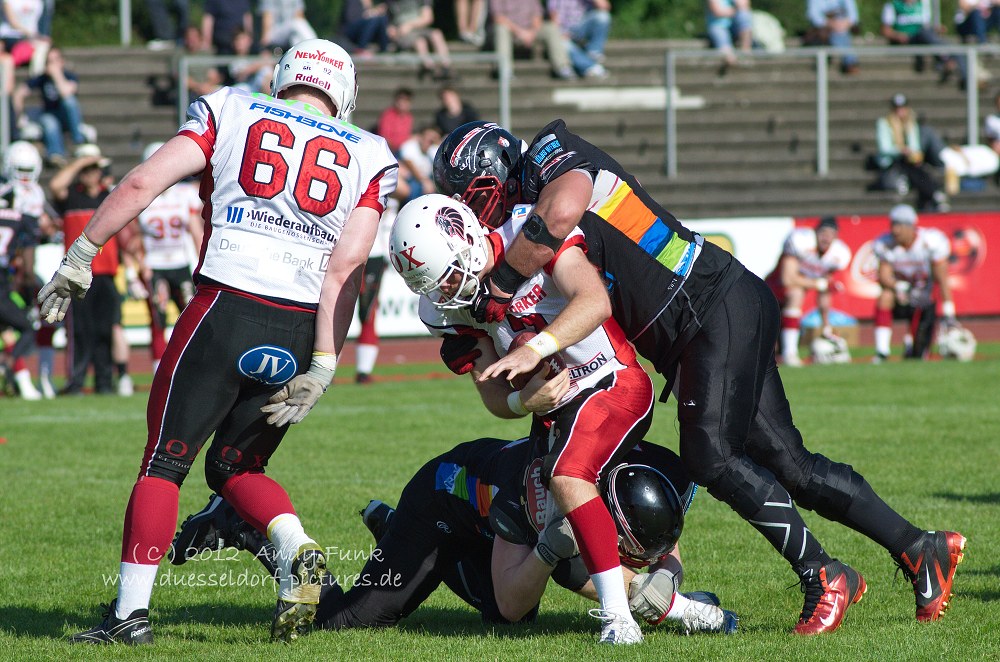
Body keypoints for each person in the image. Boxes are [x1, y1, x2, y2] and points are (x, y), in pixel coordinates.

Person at [431, 120, 967, 636]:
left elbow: (564, 207)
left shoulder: (551, 153)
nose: (474, 212)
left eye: (472, 196)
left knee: (708, 454)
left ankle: (822, 575)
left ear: (498, 170)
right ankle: (920, 548)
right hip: (703, 319)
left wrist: (497, 287)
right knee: (791, 464)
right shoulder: (520, 217)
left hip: (707, 302)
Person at [38, 38, 399, 644]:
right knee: (237, 463)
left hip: (224, 304)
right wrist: (324, 366)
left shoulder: (232, 108)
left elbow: (142, 183)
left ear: (285, 76)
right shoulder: (369, 152)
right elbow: (348, 267)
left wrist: (82, 251)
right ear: (344, 91)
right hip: (297, 321)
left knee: (164, 464)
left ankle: (129, 616)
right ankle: (295, 546)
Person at [390, 194, 660, 644]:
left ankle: (621, 618)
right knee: (513, 596)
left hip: (611, 382)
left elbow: (595, 302)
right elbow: (493, 396)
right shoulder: (452, 310)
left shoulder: (527, 237)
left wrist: (535, 350)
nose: (445, 293)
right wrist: (522, 404)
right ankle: (687, 611)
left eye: (449, 276)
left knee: (579, 481)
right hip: (554, 418)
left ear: (467, 242)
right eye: (433, 286)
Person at [170, 436, 738, 634]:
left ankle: (390, 530)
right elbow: (514, 607)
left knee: (570, 562)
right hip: (446, 502)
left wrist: (668, 578)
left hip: (495, 515)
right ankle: (244, 527)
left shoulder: (650, 470)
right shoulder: (533, 493)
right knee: (349, 619)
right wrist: (557, 544)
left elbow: (659, 534)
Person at [123, 141, 204, 375]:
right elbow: (132, 240)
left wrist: (201, 265)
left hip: (180, 264)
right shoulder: (142, 196)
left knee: (192, 318)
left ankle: (192, 367)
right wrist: (132, 272)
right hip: (153, 266)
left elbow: (196, 232)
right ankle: (161, 372)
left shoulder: (184, 194)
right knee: (157, 321)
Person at [48, 148, 118, 395]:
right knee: (79, 331)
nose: (90, 174)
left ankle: (104, 383)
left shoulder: (109, 197)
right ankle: (75, 382)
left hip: (106, 274)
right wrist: (82, 162)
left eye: (94, 169)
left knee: (103, 331)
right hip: (77, 274)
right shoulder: (70, 198)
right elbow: (56, 184)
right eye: (86, 170)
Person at [871, 204, 958, 363]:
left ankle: (914, 344)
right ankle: (882, 351)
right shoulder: (885, 244)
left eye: (900, 225)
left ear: (911, 226)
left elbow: (942, 279)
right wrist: (899, 287)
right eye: (893, 225)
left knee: (919, 356)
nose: (895, 230)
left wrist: (949, 313)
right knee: (885, 296)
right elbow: (884, 277)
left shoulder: (929, 242)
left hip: (925, 300)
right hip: (901, 295)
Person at [765, 216, 852, 367]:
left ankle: (789, 353)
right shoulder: (801, 241)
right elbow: (787, 279)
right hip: (772, 292)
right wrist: (817, 283)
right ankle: (789, 353)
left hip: (790, 305)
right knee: (796, 292)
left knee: (798, 293)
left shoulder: (838, 254)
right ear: (816, 232)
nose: (827, 237)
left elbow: (825, 290)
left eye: (832, 234)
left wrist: (826, 326)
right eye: (824, 232)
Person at [0, 144, 43, 400]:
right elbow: (27, 262)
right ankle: (8, 363)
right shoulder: (29, 202)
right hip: (3, 275)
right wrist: (31, 285)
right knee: (27, 327)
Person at [13, 46, 88, 167]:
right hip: (50, 114)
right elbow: (19, 93)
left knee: (69, 101)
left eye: (55, 60)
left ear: (62, 61)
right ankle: (56, 154)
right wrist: (19, 116)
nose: (52, 64)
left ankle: (78, 142)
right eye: (49, 61)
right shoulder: (42, 78)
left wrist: (57, 75)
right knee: (49, 122)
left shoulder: (70, 77)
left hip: (66, 117)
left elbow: (66, 93)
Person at [875, 93, 948, 211]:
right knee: (912, 169)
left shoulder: (911, 123)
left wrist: (913, 153)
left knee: (917, 168)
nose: (900, 111)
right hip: (891, 162)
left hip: (908, 161)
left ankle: (932, 194)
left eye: (902, 108)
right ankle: (934, 193)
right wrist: (900, 150)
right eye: (897, 108)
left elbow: (915, 146)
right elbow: (884, 149)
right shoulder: (884, 123)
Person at [880, 0, 963, 87]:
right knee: (926, 34)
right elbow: (885, 31)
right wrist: (897, 36)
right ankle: (946, 59)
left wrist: (936, 29)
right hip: (906, 41)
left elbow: (926, 26)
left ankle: (947, 59)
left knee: (927, 34)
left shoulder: (923, 3)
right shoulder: (892, 5)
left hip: (922, 38)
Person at [490, 0, 574, 80]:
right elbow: (498, 18)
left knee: (551, 28)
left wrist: (531, 32)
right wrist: (520, 32)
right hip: (510, 31)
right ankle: (505, 70)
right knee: (501, 29)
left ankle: (562, 67)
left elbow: (537, 16)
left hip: (530, 31)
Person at [386, 0, 453, 81]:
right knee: (420, 41)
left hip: (419, 28)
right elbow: (389, 26)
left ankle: (446, 67)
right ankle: (429, 67)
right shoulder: (391, 2)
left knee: (437, 34)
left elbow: (428, 18)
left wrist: (409, 25)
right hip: (403, 33)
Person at [547, 0, 612, 79]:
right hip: (564, 31)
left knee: (603, 16)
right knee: (563, 44)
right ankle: (591, 67)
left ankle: (594, 53)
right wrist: (560, 33)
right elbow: (554, 19)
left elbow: (605, 7)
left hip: (582, 27)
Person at [804, 0, 860, 75]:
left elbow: (853, 16)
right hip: (823, 29)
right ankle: (850, 62)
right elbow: (814, 16)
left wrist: (843, 24)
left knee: (840, 33)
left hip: (842, 27)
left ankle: (848, 61)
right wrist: (831, 24)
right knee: (839, 34)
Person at [705, 0, 753, 76]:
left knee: (744, 17)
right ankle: (729, 58)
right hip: (718, 25)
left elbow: (745, 7)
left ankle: (745, 51)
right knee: (720, 35)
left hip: (734, 27)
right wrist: (736, 10)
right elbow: (717, 12)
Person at [397, 123, 441, 199]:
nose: (430, 140)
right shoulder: (410, 146)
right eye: (428, 136)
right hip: (411, 179)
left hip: (427, 181)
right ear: (420, 137)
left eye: (433, 138)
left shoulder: (433, 150)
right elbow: (409, 164)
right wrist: (424, 181)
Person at [375, 87, 414, 155]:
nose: (402, 102)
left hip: (404, 149)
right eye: (401, 99)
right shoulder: (387, 115)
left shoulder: (409, 117)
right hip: (392, 151)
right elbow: (385, 138)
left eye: (406, 100)